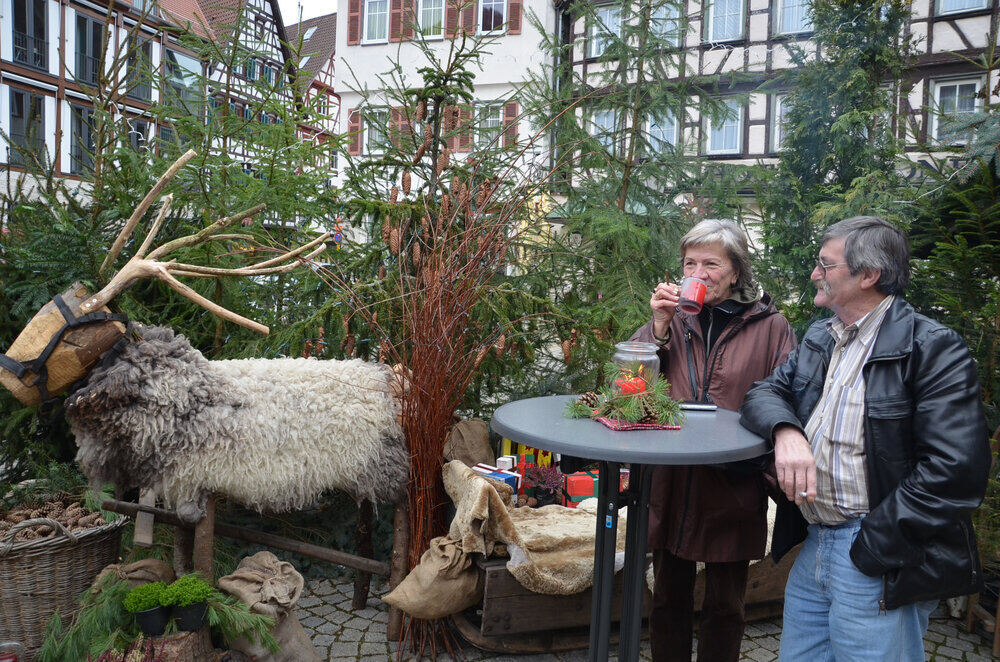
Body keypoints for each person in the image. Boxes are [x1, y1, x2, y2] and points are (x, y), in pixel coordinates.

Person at [739, 216, 990, 661]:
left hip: (876, 550)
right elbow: (764, 392)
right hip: (815, 542)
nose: (815, 273)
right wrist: (787, 431)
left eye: (826, 264)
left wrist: (871, 548)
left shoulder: (931, 347)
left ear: (869, 275)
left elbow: (956, 472)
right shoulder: (822, 336)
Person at [629, 219, 796, 662]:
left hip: (733, 481)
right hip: (673, 477)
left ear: (736, 271)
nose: (697, 273)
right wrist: (658, 328)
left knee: (725, 605)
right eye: (689, 263)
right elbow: (627, 384)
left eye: (710, 263)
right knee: (667, 599)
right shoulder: (675, 318)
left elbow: (787, 397)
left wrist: (764, 467)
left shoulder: (771, 325)